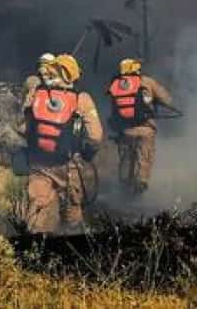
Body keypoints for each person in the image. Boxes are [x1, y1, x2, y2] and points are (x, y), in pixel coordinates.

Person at [22, 53, 103, 234]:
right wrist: (88, 152)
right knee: (72, 213)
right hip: (69, 165)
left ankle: (34, 251)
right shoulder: (81, 99)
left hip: (39, 164)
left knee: (37, 211)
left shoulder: (37, 93)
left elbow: (24, 129)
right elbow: (96, 136)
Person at [106, 58, 175, 196]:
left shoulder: (115, 85)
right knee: (145, 158)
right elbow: (167, 99)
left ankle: (124, 191)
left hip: (125, 131)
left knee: (126, 158)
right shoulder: (146, 81)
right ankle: (140, 187)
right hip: (145, 129)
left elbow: (114, 110)